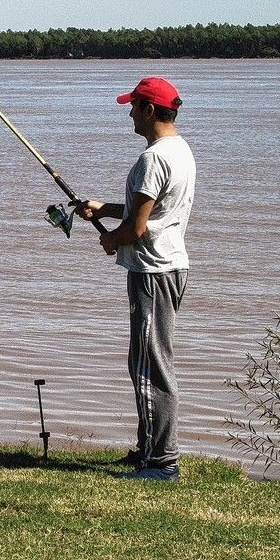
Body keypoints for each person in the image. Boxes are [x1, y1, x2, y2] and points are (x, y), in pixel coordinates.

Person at [74, 76, 195, 481]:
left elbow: (138, 228)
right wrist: (103, 209)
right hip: (172, 267)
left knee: (150, 365)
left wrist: (111, 239)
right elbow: (151, 210)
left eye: (134, 106)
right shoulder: (180, 151)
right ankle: (148, 450)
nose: (129, 112)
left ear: (149, 110)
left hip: (152, 271)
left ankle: (162, 462)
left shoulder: (153, 159)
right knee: (148, 359)